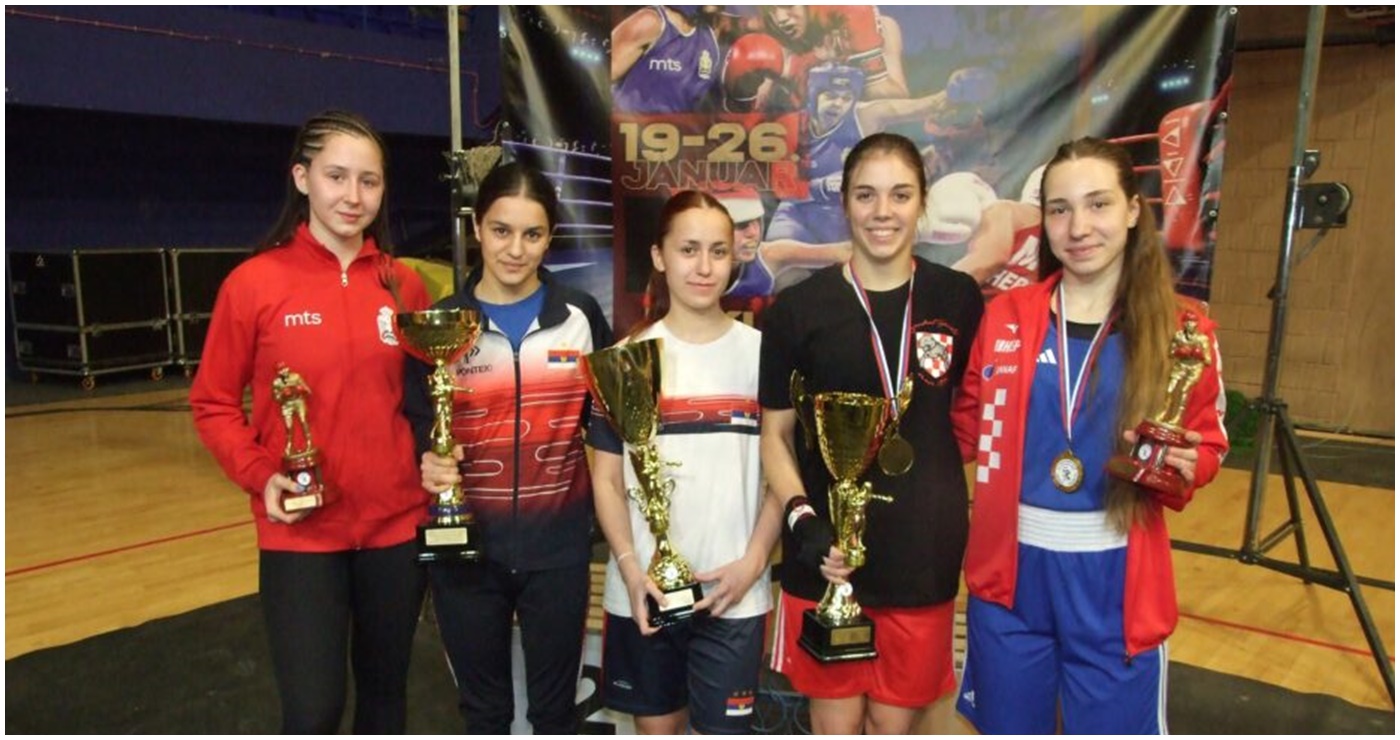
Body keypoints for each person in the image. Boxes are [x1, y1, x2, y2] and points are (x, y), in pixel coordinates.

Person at [952, 136, 1230, 734]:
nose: (1078, 227)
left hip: (1116, 581)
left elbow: (1207, 441)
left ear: (1132, 210)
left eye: (1098, 204)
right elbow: (963, 425)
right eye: (1060, 209)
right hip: (1010, 579)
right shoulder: (1006, 315)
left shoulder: (1184, 328)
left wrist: (1192, 465)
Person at [190, 110, 432, 733]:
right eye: (336, 176)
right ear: (302, 178)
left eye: (369, 181)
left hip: (396, 530)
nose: (353, 196)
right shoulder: (253, 284)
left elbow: (427, 401)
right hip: (301, 533)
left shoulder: (405, 287)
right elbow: (213, 402)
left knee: (385, 703)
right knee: (313, 710)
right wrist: (259, 475)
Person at [758, 132, 984, 734]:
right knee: (835, 723)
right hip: (827, 554)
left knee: (894, 723)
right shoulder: (796, 309)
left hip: (922, 551)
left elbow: (976, 414)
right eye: (866, 195)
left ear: (922, 202)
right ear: (845, 204)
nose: (883, 211)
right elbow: (775, 436)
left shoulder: (957, 298)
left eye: (900, 194)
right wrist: (804, 521)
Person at [405, 161, 613, 734]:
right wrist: (428, 459)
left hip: (558, 550)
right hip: (468, 551)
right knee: (484, 713)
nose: (516, 250)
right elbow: (420, 422)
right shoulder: (441, 324)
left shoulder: (580, 316)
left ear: (550, 237)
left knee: (554, 715)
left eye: (532, 234)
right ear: (477, 228)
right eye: (501, 231)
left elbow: (606, 425)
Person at [588, 190, 782, 734]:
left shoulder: (764, 357)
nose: (704, 267)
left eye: (718, 251)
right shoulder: (623, 361)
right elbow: (606, 480)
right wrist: (631, 570)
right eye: (688, 249)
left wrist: (753, 562)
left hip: (734, 597)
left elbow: (782, 477)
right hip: (646, 594)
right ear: (659, 256)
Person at [612, 6, 726, 114]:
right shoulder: (649, 22)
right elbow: (603, 80)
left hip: (674, 127)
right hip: (631, 125)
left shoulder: (709, 40)